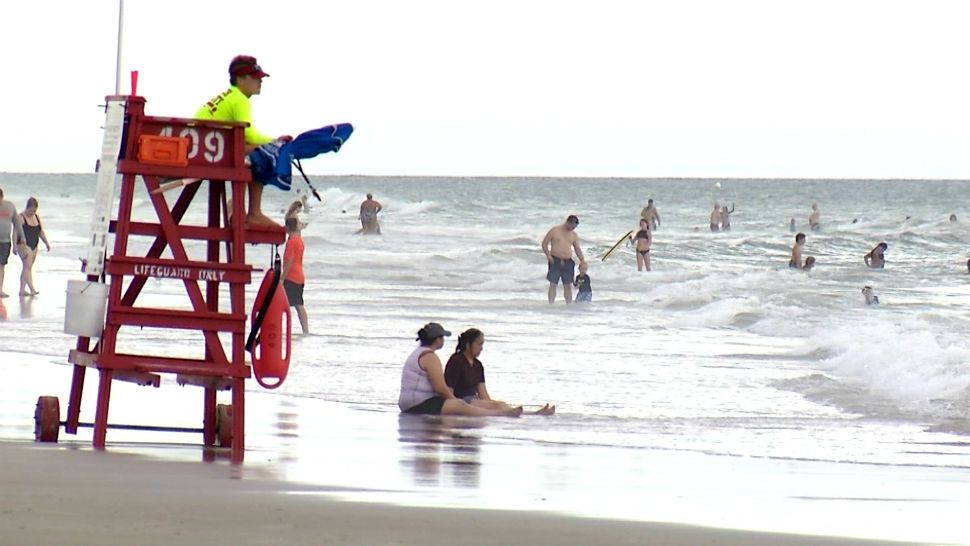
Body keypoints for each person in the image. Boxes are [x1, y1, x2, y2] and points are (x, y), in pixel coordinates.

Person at [196, 55, 291, 228]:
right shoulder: (239, 99)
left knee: (256, 150)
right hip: (208, 153)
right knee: (265, 153)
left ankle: (240, 207)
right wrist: (276, 141)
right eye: (255, 77)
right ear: (240, 79)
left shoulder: (228, 96)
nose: (260, 81)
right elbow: (249, 134)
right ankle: (254, 213)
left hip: (202, 148)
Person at [398, 323, 523, 416]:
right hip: (417, 403)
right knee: (460, 405)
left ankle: (511, 413)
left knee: (493, 404)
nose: (443, 341)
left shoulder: (420, 353)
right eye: (442, 338)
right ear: (437, 339)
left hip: (413, 401)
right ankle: (499, 415)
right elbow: (440, 388)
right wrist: (454, 401)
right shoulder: (430, 356)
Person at [443, 328, 555, 415]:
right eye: (479, 344)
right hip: (461, 400)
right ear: (468, 345)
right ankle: (530, 415)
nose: (481, 348)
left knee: (499, 404)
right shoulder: (456, 360)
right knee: (498, 406)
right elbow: (449, 390)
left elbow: (483, 394)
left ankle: (531, 414)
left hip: (473, 399)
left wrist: (490, 404)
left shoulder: (478, 365)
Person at [541, 215, 586, 304]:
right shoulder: (555, 231)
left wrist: (582, 260)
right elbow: (544, 244)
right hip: (555, 260)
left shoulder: (573, 235)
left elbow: (577, 249)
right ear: (567, 222)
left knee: (568, 286)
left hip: (568, 262)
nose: (573, 229)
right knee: (553, 284)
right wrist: (548, 256)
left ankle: (568, 305)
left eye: (575, 227)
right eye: (572, 226)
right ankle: (551, 304)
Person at [15, 197, 50, 297]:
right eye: (32, 210)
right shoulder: (20, 217)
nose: (33, 212)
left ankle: (22, 290)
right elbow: (15, 233)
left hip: (34, 245)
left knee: (27, 268)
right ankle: (32, 289)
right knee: (27, 267)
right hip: (23, 245)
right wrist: (14, 246)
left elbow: (40, 232)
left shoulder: (36, 217)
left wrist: (46, 243)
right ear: (28, 207)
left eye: (35, 210)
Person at [281, 217, 309, 334]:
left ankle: (304, 330)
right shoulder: (298, 240)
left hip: (291, 277)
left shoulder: (292, 241)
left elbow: (289, 261)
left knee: (292, 304)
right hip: (299, 275)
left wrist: (282, 278)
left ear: (287, 228)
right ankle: (305, 330)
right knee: (297, 304)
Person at [0, 187, 25, 299]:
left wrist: (22, 236)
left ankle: (0, 290)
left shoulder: (10, 206)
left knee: (1, 265)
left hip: (5, 241)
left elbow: (16, 222)